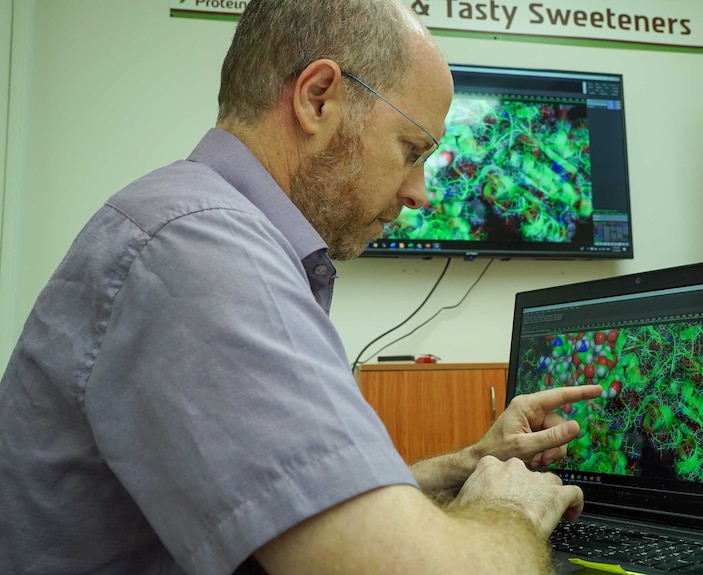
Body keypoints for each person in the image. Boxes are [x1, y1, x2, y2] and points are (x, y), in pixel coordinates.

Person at [0, 1, 602, 574]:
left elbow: (279, 502)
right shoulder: (203, 256)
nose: (420, 192)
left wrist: (466, 466)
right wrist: (514, 509)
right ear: (318, 99)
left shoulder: (189, 226)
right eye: (412, 149)